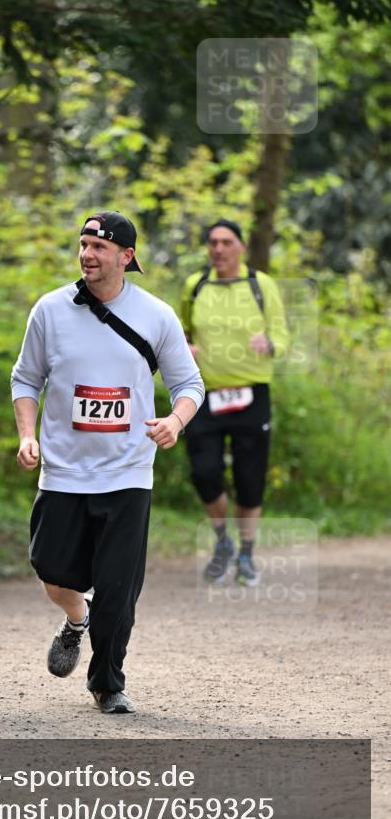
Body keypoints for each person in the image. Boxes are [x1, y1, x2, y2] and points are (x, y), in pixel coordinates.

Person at [11, 211, 204, 714]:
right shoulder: (50, 311)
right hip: (64, 472)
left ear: (127, 256)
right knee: (51, 571)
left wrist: (174, 423)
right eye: (83, 245)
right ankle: (78, 619)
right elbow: (25, 380)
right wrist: (27, 435)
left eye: (99, 247)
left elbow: (190, 385)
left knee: (119, 591)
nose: (87, 255)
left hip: (127, 473)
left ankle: (107, 683)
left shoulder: (157, 315)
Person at [180, 219, 288, 586]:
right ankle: (223, 541)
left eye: (226, 242)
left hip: (251, 393)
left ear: (240, 247)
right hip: (204, 394)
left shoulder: (261, 285)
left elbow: (283, 337)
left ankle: (245, 553)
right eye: (213, 242)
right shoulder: (195, 286)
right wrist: (185, 346)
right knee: (204, 471)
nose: (218, 249)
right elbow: (180, 331)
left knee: (249, 477)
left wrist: (270, 345)